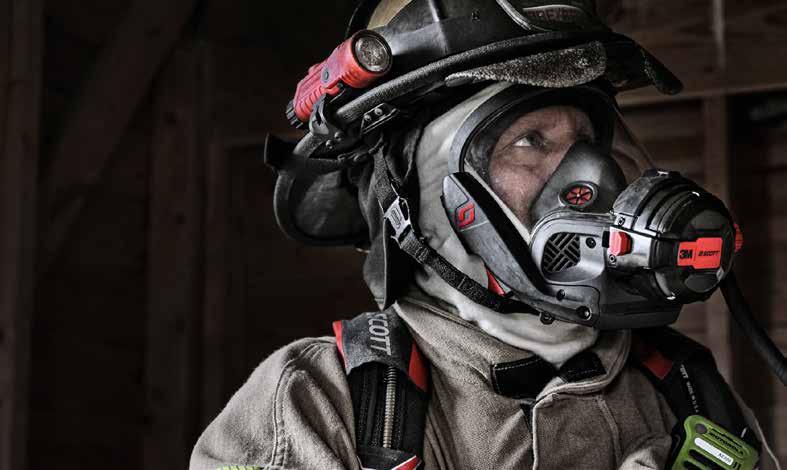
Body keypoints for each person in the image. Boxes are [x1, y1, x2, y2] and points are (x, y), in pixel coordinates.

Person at [191, 1, 781, 469]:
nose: (591, 177)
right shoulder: (317, 404)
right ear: (431, 200)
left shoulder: (691, 393)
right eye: (530, 142)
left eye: (589, 143)